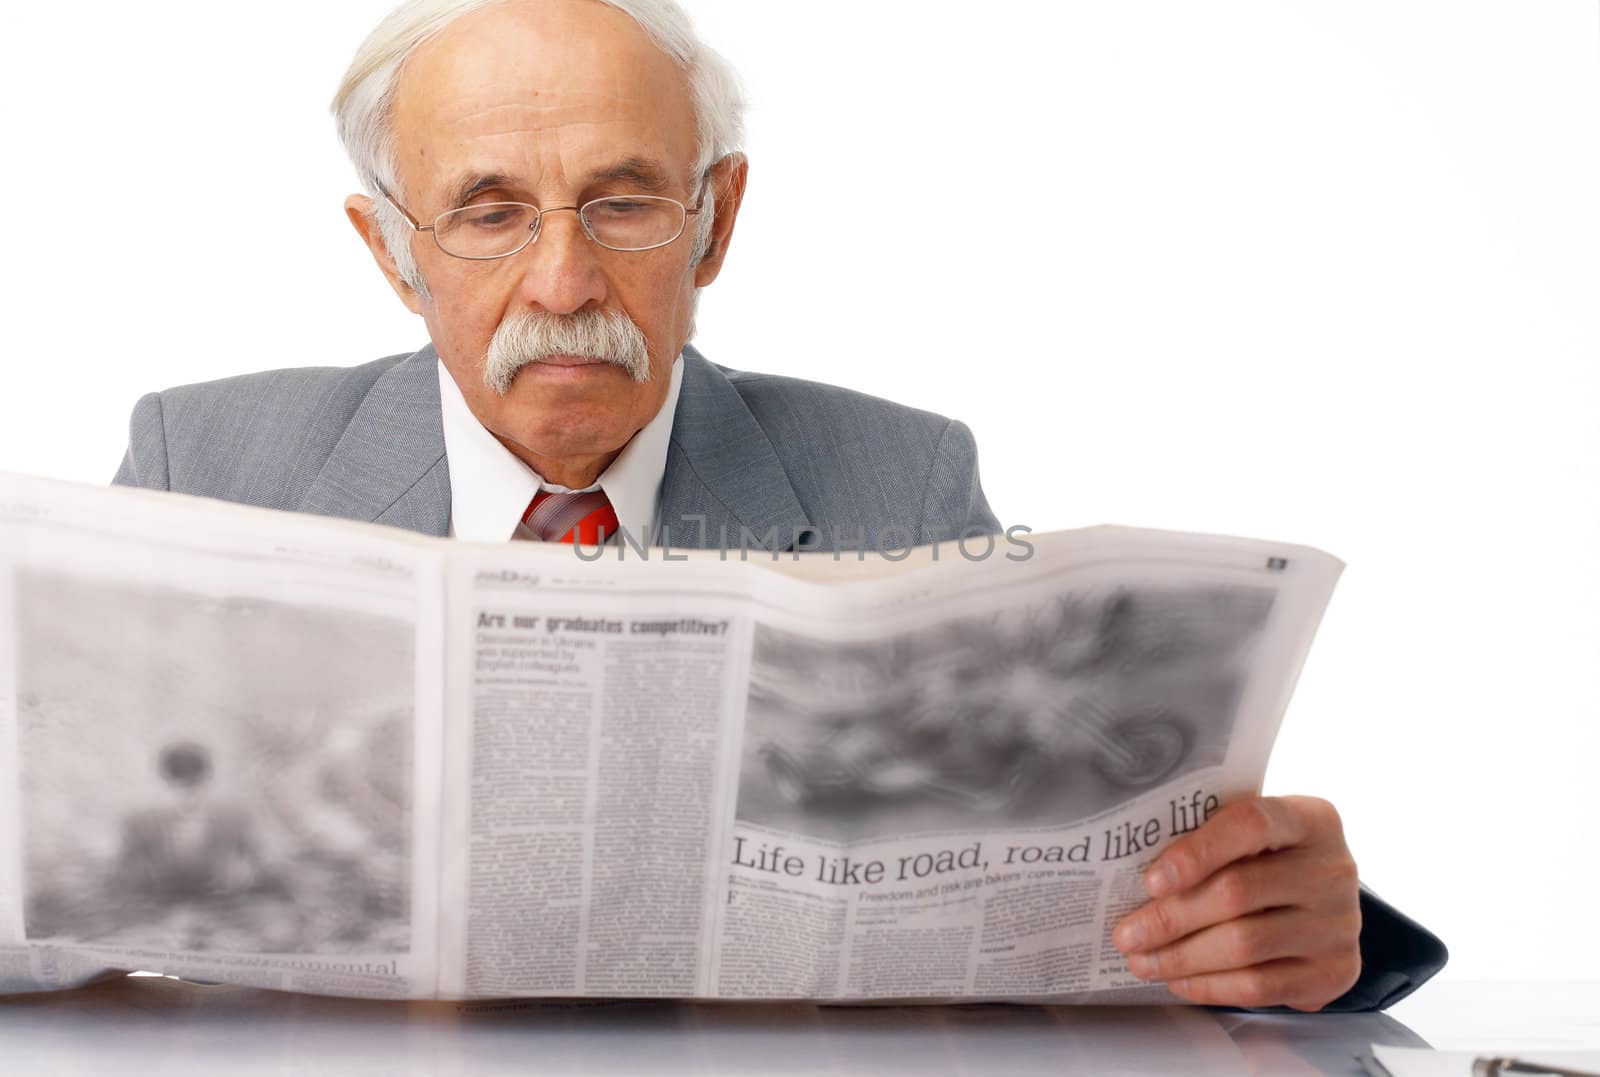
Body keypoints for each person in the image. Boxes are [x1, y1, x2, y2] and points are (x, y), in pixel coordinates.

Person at [112, 0, 1444, 1010]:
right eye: (490, 212)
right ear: (394, 253)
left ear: (716, 223)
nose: (565, 280)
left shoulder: (899, 486)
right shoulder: (207, 467)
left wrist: (1298, 927)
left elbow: (1087, 864)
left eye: (623, 201)